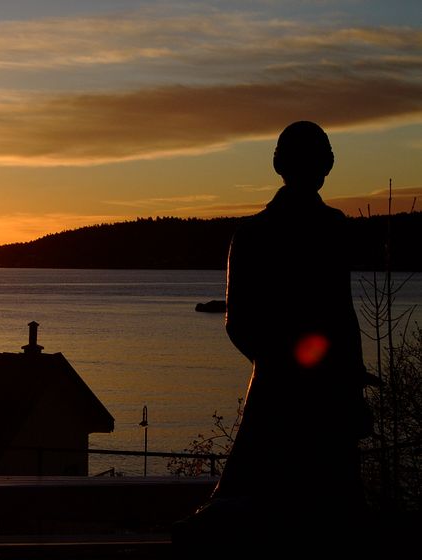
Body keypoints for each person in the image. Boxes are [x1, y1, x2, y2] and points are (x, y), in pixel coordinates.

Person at [173, 121, 375, 548]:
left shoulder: (317, 229)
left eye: (320, 156)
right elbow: (243, 322)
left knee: (325, 511)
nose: (317, 166)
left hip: (311, 389)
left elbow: (338, 311)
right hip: (297, 390)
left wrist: (345, 379)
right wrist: (302, 370)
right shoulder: (261, 233)